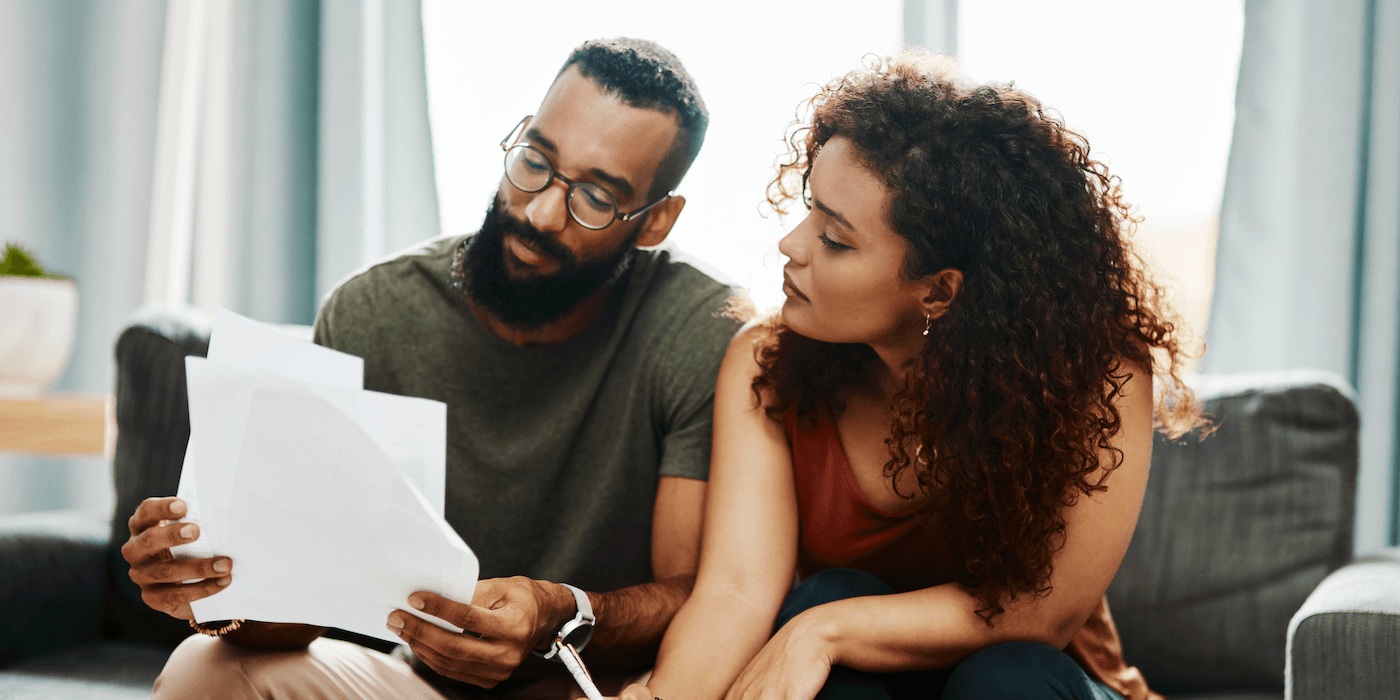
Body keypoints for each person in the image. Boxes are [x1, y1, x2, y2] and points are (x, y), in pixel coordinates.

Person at [121, 37, 742, 699]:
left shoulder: (698, 330)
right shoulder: (375, 313)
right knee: (204, 669)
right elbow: (302, 607)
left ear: (655, 221)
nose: (538, 212)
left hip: (600, 690)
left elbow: (695, 595)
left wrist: (558, 612)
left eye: (594, 196)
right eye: (534, 161)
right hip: (420, 687)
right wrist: (217, 592)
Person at [621, 51, 1203, 700]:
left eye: (836, 240)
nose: (791, 245)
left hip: (1036, 684)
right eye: (811, 210)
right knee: (827, 612)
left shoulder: (1097, 372)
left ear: (939, 292)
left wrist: (823, 630)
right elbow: (736, 592)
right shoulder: (768, 363)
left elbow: (1044, 614)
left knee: (1002, 678)